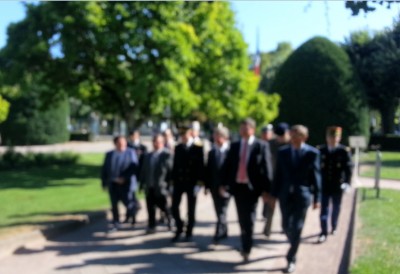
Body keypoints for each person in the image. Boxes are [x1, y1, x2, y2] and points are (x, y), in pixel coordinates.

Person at [221, 118, 273, 262]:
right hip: (238, 187)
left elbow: (266, 168)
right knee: (241, 217)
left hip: (252, 188)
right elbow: (228, 166)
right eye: (241, 128)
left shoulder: (260, 146)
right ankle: (245, 240)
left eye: (246, 128)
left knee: (249, 218)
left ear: (252, 129)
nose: (243, 131)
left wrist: (267, 191)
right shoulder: (235, 145)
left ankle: (247, 247)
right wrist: (223, 184)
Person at [271, 125, 321, 273]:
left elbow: (316, 177)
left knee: (297, 227)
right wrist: (273, 195)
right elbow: (278, 175)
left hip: (302, 196)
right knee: (286, 225)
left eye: (297, 136)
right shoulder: (283, 152)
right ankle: (294, 243)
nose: (293, 139)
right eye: (292, 135)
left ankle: (291, 258)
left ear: (304, 137)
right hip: (285, 195)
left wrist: (317, 198)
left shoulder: (312, 153)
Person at [317, 126, 353, 243]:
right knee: (324, 209)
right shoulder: (320, 150)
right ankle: (323, 231)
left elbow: (348, 169)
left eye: (335, 137)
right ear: (327, 138)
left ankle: (334, 225)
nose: (333, 140)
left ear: (339, 138)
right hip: (324, 185)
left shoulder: (343, 151)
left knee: (336, 207)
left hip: (338, 185)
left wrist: (347, 183)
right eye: (330, 137)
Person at [170, 126, 205, 242]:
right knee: (174, 207)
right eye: (182, 135)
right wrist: (172, 182)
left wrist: (199, 183)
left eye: (185, 135)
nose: (183, 137)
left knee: (191, 209)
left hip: (191, 182)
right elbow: (175, 166)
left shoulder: (197, 148)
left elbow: (200, 167)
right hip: (179, 182)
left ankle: (189, 231)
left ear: (190, 134)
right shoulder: (178, 147)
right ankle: (179, 227)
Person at [101, 136, 138, 231]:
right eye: (119, 142)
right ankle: (116, 223)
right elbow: (105, 169)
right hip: (113, 184)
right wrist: (104, 182)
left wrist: (124, 178)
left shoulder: (130, 153)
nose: (121, 144)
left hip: (126, 184)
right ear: (115, 143)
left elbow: (134, 168)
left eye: (123, 142)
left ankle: (133, 214)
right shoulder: (109, 154)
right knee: (114, 205)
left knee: (128, 203)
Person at [139, 134, 173, 234]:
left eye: (158, 142)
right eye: (154, 142)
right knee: (150, 207)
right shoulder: (148, 155)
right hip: (150, 186)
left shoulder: (167, 155)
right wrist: (142, 184)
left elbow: (170, 172)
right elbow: (143, 171)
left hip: (161, 186)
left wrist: (169, 186)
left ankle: (170, 220)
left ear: (162, 143)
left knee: (164, 206)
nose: (155, 144)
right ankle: (151, 225)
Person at [262, 122, 291, 237]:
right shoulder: (269, 144)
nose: (280, 138)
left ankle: (285, 227)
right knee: (270, 207)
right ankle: (267, 229)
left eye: (282, 135)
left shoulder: (291, 144)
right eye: (278, 135)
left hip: (285, 182)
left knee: (285, 208)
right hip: (272, 180)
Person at [205, 126, 231, 244]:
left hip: (226, 187)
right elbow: (208, 170)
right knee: (218, 210)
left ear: (225, 137)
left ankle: (218, 234)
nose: (216, 138)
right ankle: (224, 230)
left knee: (222, 210)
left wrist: (226, 186)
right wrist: (206, 186)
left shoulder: (230, 152)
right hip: (214, 187)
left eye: (219, 136)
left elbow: (232, 171)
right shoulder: (212, 152)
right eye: (215, 136)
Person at [126, 129, 148, 222]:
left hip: (140, 173)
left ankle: (134, 210)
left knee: (135, 192)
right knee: (130, 193)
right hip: (130, 173)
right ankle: (130, 214)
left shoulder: (142, 147)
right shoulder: (127, 146)